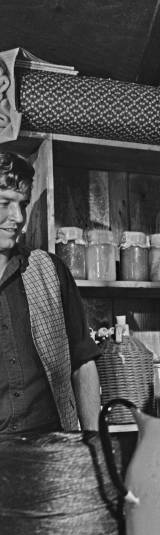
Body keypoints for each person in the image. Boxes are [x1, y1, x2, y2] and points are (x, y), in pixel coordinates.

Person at [0, 152, 100, 433]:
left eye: (22, 204)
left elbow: (83, 361)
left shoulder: (50, 270)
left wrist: (91, 441)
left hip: (52, 447)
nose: (17, 217)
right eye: (5, 203)